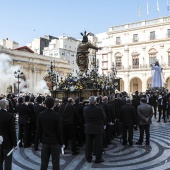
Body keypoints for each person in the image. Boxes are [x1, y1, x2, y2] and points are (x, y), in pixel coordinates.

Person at [35, 97, 63, 170]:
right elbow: (59, 130)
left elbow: (39, 129)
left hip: (45, 141)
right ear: (53, 104)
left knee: (44, 163)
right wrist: (61, 142)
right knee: (56, 163)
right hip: (55, 141)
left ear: (45, 104)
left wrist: (37, 142)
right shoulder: (57, 115)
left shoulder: (41, 115)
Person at [83, 96, 106, 163]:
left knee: (88, 144)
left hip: (88, 128)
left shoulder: (85, 109)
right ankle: (98, 158)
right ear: (95, 102)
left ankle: (88, 157)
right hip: (98, 128)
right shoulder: (99, 109)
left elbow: (84, 117)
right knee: (98, 144)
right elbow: (104, 118)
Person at [0, 99, 17, 170]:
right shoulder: (10, 116)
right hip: (8, 142)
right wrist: (15, 143)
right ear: (7, 106)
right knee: (8, 161)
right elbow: (12, 131)